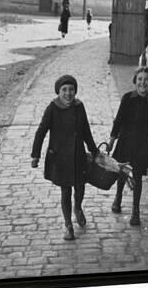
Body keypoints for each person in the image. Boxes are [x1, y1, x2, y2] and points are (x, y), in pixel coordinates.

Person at [31, 75, 98, 240]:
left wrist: (93, 149)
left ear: (75, 91)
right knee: (66, 190)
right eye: (64, 90)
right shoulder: (52, 108)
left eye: (71, 89)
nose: (68, 93)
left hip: (78, 155)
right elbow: (41, 131)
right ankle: (68, 224)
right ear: (58, 92)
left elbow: (86, 130)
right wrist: (35, 155)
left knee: (80, 187)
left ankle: (78, 207)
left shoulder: (79, 106)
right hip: (60, 157)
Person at [106, 67, 148, 226]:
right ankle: (118, 197)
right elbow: (118, 120)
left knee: (137, 176)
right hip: (125, 140)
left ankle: (135, 211)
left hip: (142, 143)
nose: (142, 83)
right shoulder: (127, 98)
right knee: (123, 171)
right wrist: (111, 140)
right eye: (140, 79)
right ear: (135, 81)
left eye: (146, 79)